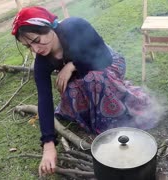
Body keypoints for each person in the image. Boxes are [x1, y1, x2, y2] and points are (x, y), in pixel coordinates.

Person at [12, 6, 160, 177]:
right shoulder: (42, 62)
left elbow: (104, 58)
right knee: (71, 90)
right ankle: (97, 110)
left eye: (37, 40)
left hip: (106, 62)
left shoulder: (74, 26)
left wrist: (72, 65)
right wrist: (48, 144)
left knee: (94, 80)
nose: (35, 49)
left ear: (49, 27)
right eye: (28, 46)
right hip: (82, 74)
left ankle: (117, 104)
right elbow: (44, 99)